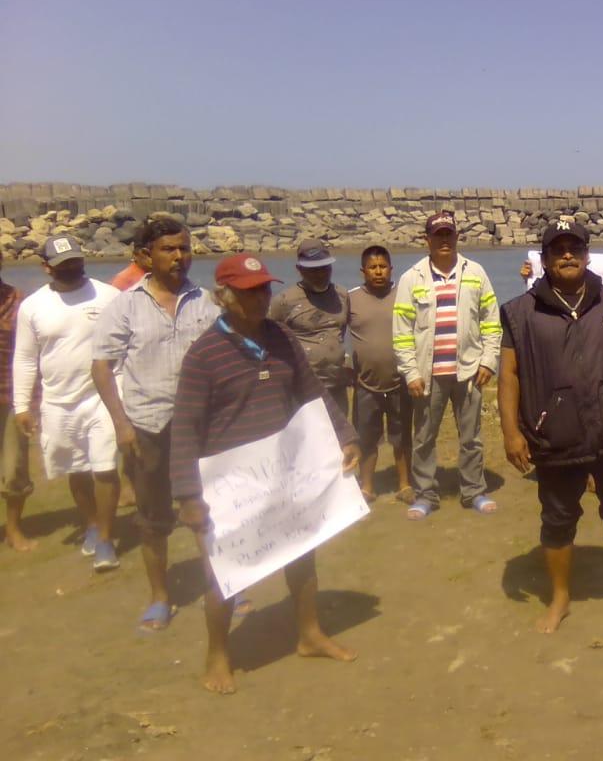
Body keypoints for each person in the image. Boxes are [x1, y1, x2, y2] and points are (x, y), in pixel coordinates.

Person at [170, 253, 361, 694]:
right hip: (229, 486)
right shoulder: (204, 355)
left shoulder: (281, 338)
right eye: (249, 291)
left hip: (284, 472)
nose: (261, 298)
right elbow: (185, 429)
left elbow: (311, 392)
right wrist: (187, 496)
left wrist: (345, 435)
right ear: (224, 297)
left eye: (265, 289)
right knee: (225, 572)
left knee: (302, 553)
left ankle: (309, 634)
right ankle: (218, 654)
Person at [498, 218, 603, 633]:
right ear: (545, 258)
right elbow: (509, 374)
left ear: (587, 255)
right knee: (557, 520)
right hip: (555, 438)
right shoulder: (521, 312)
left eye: (575, 247)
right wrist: (511, 433)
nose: (567, 254)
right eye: (558, 249)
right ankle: (560, 598)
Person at [91, 217, 221, 631]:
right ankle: (160, 597)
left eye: (184, 248)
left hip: (202, 427)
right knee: (153, 521)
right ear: (148, 256)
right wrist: (121, 425)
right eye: (169, 249)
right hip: (147, 427)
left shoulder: (207, 302)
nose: (179, 256)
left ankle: (224, 585)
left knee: (212, 509)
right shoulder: (125, 305)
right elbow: (100, 367)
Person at [11, 236, 121, 570]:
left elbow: (127, 345)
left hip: (102, 397)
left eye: (75, 261)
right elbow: (26, 358)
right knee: (77, 469)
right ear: (46, 267)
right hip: (58, 403)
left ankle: (104, 538)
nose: (72, 268)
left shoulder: (109, 296)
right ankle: (90, 524)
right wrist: (21, 406)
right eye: (63, 264)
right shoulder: (32, 306)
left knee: (104, 467)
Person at [393, 212, 502, 518]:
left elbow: (492, 323)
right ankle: (426, 495)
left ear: (456, 238)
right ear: (427, 240)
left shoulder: (476, 273)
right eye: (437, 235)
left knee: (471, 438)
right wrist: (410, 371)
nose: (444, 240)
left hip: (468, 372)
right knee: (424, 438)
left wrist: (488, 361)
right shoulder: (411, 278)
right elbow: (401, 332)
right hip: (427, 376)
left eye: (448, 234)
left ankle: (474, 491)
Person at [349, 245, 413, 502]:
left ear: (390, 269)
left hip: (400, 383)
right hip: (366, 384)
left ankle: (405, 485)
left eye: (383, 267)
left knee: (402, 436)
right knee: (367, 438)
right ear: (363, 271)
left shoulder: (404, 295)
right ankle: (367, 487)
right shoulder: (350, 299)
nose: (378, 272)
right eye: (373, 267)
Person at [268, 239, 350, 413]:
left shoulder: (342, 295)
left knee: (338, 438)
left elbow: (340, 333)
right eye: (313, 270)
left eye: (324, 268)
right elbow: (268, 341)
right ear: (299, 269)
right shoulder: (284, 302)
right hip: (302, 389)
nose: (320, 274)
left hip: (336, 386)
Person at [1, 252, 35, 550]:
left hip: (9, 398)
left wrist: (31, 403)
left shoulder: (18, 301)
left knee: (14, 470)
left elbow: (29, 355)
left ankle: (13, 530)